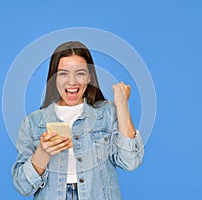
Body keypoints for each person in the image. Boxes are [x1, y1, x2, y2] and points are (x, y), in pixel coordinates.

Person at [12, 41, 144, 200]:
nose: (72, 81)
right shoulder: (33, 123)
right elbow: (22, 187)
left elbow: (131, 162)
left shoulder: (107, 113)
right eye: (63, 73)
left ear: (89, 77)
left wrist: (122, 105)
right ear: (54, 78)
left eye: (80, 73)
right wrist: (42, 153)